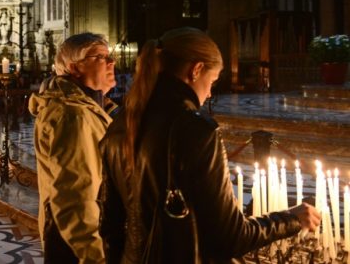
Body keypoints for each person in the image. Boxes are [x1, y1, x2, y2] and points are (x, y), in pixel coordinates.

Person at [100, 27, 321, 263]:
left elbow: (110, 227)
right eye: (212, 82)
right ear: (196, 70)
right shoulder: (195, 130)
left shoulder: (121, 123)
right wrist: (292, 218)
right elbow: (230, 238)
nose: (208, 95)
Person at [27, 32, 119, 263]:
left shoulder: (84, 109)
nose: (112, 63)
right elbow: (77, 200)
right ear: (74, 67)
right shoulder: (73, 116)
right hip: (77, 247)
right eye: (100, 57)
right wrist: (96, 257)